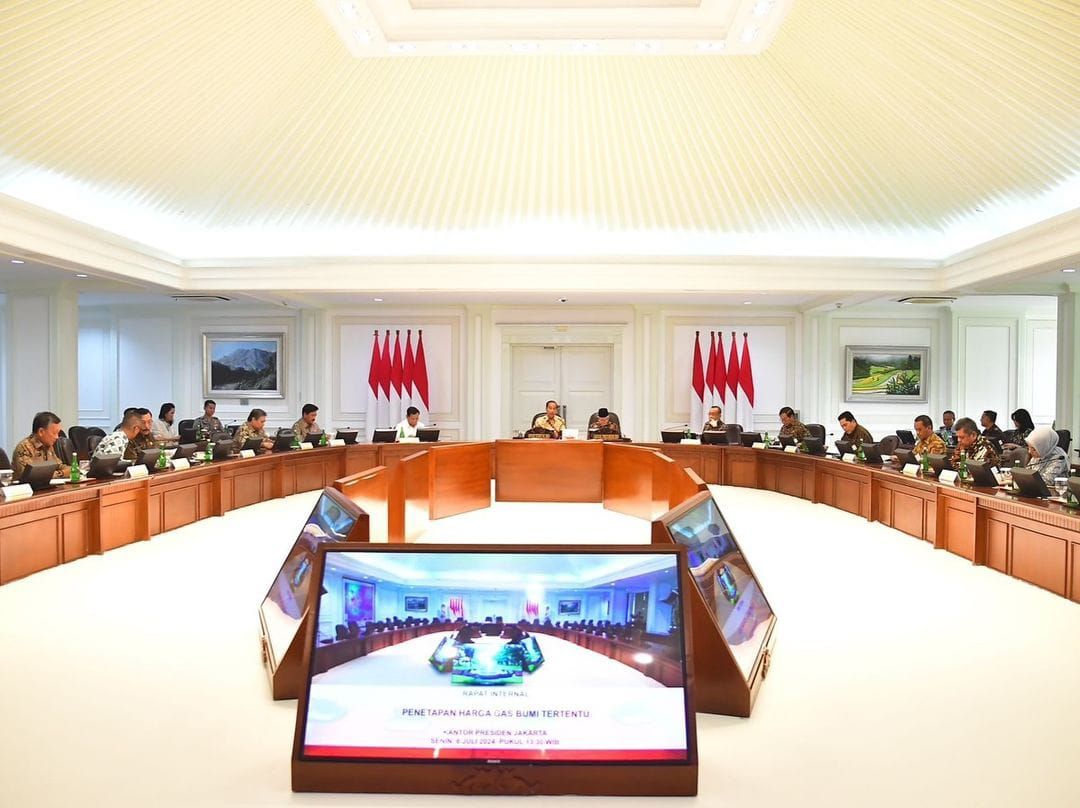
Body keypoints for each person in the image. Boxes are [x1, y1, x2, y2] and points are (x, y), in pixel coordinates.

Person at [11, 411, 70, 479]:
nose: (57, 437)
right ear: (41, 432)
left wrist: (73, 469)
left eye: (58, 433)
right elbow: (31, 476)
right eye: (54, 433)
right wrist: (61, 473)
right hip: (26, 488)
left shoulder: (48, 445)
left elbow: (59, 465)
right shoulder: (24, 447)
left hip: (44, 487)